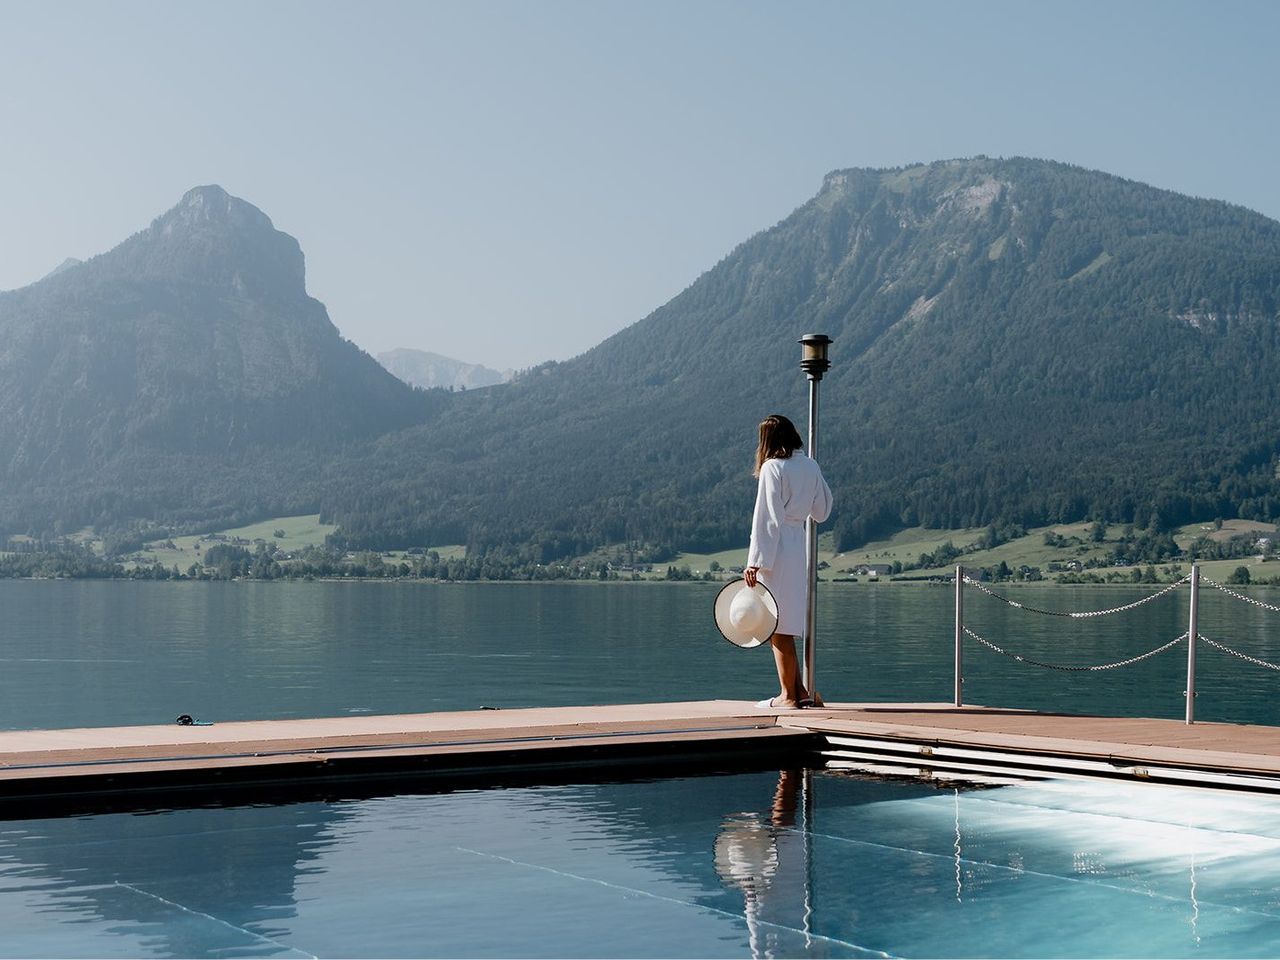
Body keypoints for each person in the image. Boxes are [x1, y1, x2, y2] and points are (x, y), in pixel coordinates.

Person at [743, 414, 832, 709]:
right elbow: (822, 510)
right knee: (789, 619)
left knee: (774, 622)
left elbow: (767, 517)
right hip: (799, 544)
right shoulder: (810, 464)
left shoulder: (772, 467)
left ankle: (788, 696)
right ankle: (803, 692)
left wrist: (755, 561)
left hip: (777, 548)